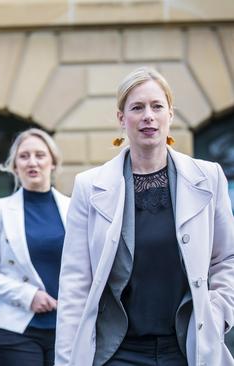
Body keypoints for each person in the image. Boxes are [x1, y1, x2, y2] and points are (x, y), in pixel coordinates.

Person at [55, 67, 234, 366]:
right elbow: (75, 282)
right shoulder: (90, 187)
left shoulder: (208, 177)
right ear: (121, 119)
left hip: (187, 348)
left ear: (170, 115)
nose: (148, 116)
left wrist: (217, 313)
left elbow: (226, 259)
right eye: (137, 107)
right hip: (118, 352)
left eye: (157, 106)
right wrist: (66, 359)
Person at [0, 128, 70, 366]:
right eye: (24, 156)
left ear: (53, 162)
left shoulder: (74, 208)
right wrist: (28, 295)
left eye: (40, 155)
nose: (32, 162)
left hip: (68, 329)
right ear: (14, 166)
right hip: (17, 328)